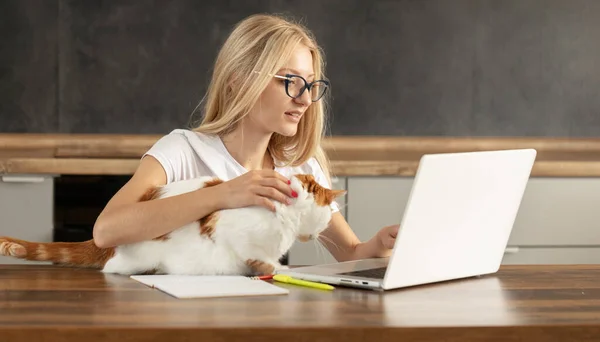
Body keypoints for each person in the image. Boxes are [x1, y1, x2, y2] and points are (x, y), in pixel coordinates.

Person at [92, 13, 399, 263]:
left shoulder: (300, 171)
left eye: (310, 85)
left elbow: (350, 253)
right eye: (291, 82)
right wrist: (224, 194)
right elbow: (107, 230)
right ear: (238, 83)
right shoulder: (183, 151)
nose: (305, 100)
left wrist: (380, 244)